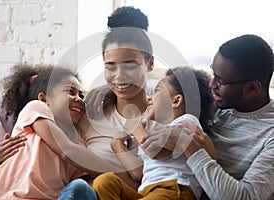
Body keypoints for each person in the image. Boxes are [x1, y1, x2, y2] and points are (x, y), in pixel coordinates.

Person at [0, 6, 153, 190]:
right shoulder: (88, 112)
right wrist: (4, 155)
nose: (119, 75)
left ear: (150, 64)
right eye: (110, 66)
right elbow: (59, 145)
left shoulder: (159, 115)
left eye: (130, 65)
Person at [141, 34, 274, 199]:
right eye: (213, 74)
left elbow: (244, 197)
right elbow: (166, 95)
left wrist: (189, 146)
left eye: (220, 81)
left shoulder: (270, 134)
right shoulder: (216, 104)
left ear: (252, 87)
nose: (212, 85)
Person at [0, 64, 120, 200]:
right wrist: (119, 172)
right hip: (13, 197)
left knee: (82, 189)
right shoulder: (36, 109)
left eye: (81, 96)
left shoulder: (78, 144)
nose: (79, 99)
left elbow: (86, 175)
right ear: (44, 98)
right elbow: (67, 151)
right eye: (70, 92)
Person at [92, 67, 216, 200]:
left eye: (157, 91)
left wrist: (135, 126)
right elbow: (137, 173)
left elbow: (155, 151)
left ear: (176, 101)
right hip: (147, 193)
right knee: (105, 181)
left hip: (175, 189)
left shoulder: (188, 122)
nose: (149, 98)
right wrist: (117, 145)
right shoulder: (152, 131)